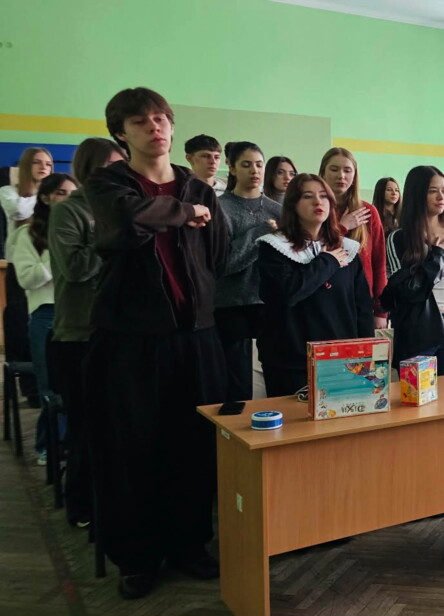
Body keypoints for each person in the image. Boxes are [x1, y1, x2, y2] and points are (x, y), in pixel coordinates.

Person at [83, 87, 228, 599]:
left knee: (194, 445)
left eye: (161, 118)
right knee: (133, 448)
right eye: (141, 121)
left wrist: (186, 213)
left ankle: (190, 544)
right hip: (132, 339)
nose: (155, 127)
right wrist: (183, 214)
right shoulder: (108, 183)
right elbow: (126, 220)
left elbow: (216, 254)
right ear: (120, 132)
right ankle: (137, 556)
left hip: (195, 338)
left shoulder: (199, 187)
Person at [49, 137, 125, 528]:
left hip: (120, 333)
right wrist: (113, 235)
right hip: (79, 336)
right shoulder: (68, 210)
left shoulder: (122, 210)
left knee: (117, 428)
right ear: (89, 170)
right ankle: (81, 505)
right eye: (111, 166)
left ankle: (112, 503)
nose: (120, 173)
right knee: (85, 427)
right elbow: (75, 268)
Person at [256, 173, 373, 396]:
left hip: (341, 359)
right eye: (308, 196)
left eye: (323, 196)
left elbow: (362, 309)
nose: (318, 202)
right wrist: (327, 262)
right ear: (293, 204)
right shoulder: (275, 246)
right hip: (291, 361)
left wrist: (366, 353)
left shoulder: (346, 249)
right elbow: (288, 293)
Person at [383, 166, 444, 376]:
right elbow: (405, 291)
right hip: (418, 326)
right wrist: (438, 255)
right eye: (432, 191)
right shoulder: (399, 238)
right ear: (417, 194)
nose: (441, 197)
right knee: (416, 393)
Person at [13, 173, 76, 466]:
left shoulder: (83, 227)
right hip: (46, 314)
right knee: (51, 386)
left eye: (73, 193)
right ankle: (49, 445)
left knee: (79, 386)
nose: (69, 199)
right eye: (62, 193)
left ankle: (75, 445)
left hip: (80, 313)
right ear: (46, 198)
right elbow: (27, 279)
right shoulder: (28, 234)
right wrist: (59, 254)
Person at [215, 141, 281, 402]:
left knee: (277, 379)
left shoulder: (277, 210)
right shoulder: (219, 208)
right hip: (231, 305)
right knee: (236, 387)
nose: (255, 170)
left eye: (259, 164)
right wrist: (262, 232)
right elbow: (224, 264)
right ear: (231, 168)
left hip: (270, 303)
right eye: (246, 165)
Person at [0, 146, 52, 408]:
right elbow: (19, 211)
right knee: (20, 323)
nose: (44, 167)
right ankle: (29, 390)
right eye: (37, 162)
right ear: (25, 166)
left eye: (48, 164)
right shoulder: (8, 191)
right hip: (19, 266)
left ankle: (45, 386)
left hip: (49, 268)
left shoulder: (56, 194)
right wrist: (44, 202)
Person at [320, 147, 387, 327]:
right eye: (334, 169)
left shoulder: (368, 212)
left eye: (347, 170)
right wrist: (342, 227)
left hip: (361, 302)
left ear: (354, 175)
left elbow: (379, 263)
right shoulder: (315, 209)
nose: (341, 176)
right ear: (323, 173)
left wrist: (380, 311)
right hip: (324, 301)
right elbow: (314, 252)